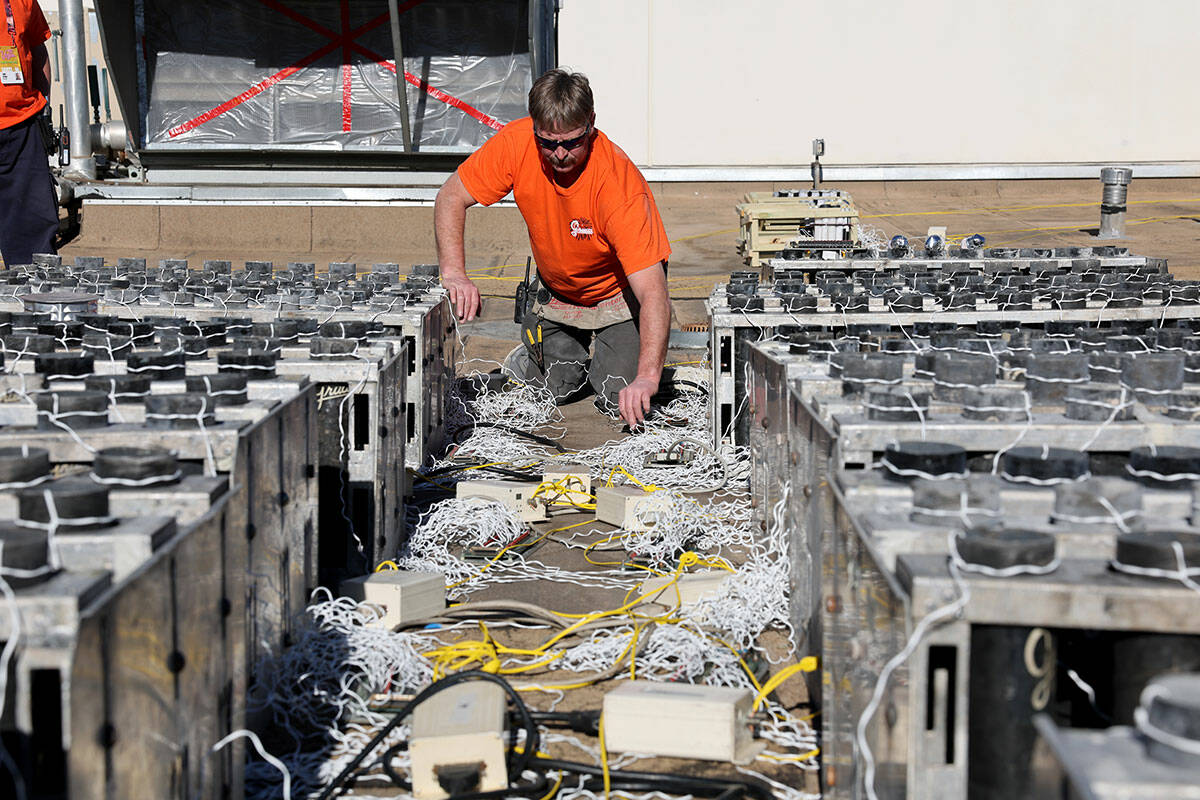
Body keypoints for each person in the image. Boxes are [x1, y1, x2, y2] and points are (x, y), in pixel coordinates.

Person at [434, 68, 671, 429]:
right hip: (559, 294)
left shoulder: (619, 187)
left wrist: (648, 378)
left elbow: (654, 295)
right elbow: (450, 197)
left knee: (617, 394)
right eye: (548, 143)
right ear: (534, 128)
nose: (559, 154)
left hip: (618, 297)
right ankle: (532, 355)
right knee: (553, 388)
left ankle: (622, 352)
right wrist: (454, 273)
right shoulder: (516, 144)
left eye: (572, 142)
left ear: (591, 123)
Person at [0, 0, 57, 268]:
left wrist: (44, 106)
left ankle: (33, 296)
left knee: (32, 227)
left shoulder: (23, 1)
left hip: (21, 124)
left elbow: (37, 48)